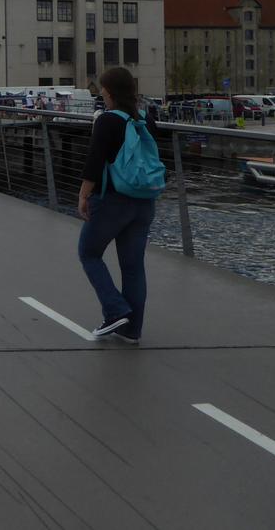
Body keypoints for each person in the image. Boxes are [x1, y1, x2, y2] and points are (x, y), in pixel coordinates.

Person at [77, 67, 160, 344]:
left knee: (89, 253)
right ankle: (131, 330)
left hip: (112, 200)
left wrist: (83, 195)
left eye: (102, 89)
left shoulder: (107, 121)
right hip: (144, 201)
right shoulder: (146, 119)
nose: (101, 94)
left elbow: (94, 161)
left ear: (110, 92)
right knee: (133, 266)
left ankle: (114, 310)